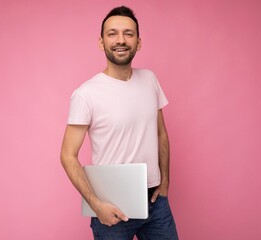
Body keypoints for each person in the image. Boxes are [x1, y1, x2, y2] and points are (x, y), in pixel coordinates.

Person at [60, 6, 178, 240]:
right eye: (112, 33)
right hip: (110, 206)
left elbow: (161, 134)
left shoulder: (150, 80)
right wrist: (96, 204)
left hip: (156, 204)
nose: (120, 40)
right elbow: (67, 155)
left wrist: (164, 183)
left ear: (138, 42)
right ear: (101, 42)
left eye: (128, 33)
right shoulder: (86, 94)